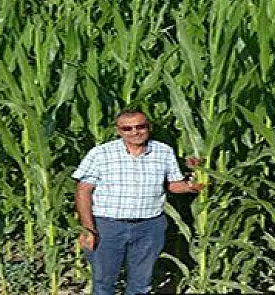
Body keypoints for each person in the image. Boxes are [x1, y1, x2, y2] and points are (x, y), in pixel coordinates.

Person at [73, 109, 204, 295]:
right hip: (107, 226)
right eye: (127, 128)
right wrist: (88, 228)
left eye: (140, 126)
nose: (135, 132)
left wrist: (192, 186)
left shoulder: (163, 151)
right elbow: (83, 190)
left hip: (150, 227)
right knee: (103, 283)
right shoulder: (101, 154)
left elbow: (173, 185)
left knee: (141, 284)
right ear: (118, 131)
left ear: (148, 127)